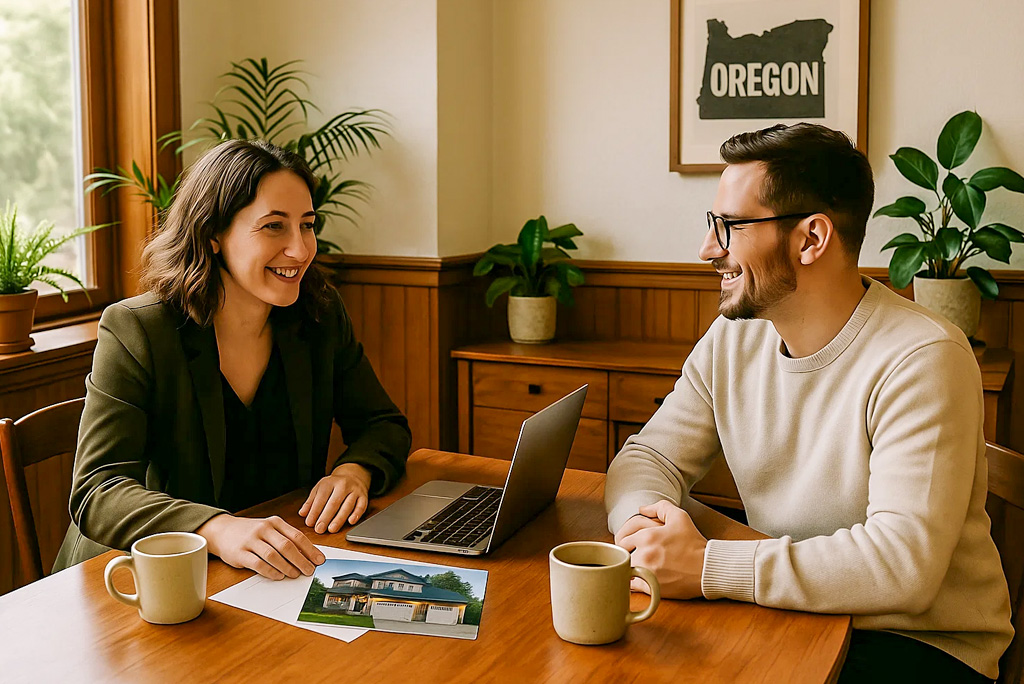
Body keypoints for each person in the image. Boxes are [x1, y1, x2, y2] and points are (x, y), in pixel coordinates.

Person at [605, 123, 1013, 683]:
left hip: (921, 645)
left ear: (811, 238)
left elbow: (902, 567)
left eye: (729, 227)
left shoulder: (922, 357)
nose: (708, 249)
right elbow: (648, 457)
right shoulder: (735, 336)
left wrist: (705, 566)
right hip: (792, 612)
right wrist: (642, 530)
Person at [53, 139, 411, 581]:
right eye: (274, 226)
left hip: (268, 569)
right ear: (213, 234)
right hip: (132, 578)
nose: (300, 250)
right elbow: (98, 490)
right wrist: (216, 529)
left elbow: (382, 423)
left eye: (307, 225)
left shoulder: (319, 314)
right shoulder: (138, 329)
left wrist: (356, 472)